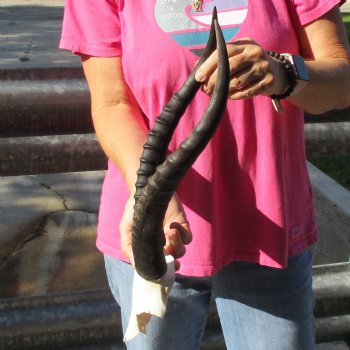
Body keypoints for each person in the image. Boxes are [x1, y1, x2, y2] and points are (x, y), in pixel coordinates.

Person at [60, 1, 350, 349]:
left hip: (270, 232)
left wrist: (285, 72)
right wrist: (153, 196)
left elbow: (342, 82)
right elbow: (112, 105)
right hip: (157, 235)